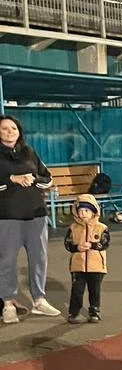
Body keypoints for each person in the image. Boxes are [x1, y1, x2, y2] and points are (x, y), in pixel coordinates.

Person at [0, 114, 60, 323]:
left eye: (13, 128)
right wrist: (12, 179)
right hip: (8, 216)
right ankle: (8, 304)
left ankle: (39, 300)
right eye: (5, 128)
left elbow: (48, 178)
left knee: (39, 259)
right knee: (7, 261)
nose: (10, 132)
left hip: (36, 214)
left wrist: (34, 178)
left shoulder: (30, 152)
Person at [64, 193, 110, 324]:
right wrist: (77, 247)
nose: (83, 213)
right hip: (78, 266)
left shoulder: (101, 228)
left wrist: (93, 245)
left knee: (94, 290)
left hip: (96, 266)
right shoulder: (73, 228)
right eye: (80, 210)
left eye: (86, 210)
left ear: (93, 211)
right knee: (77, 291)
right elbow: (67, 244)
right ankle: (74, 313)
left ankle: (94, 311)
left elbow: (105, 243)